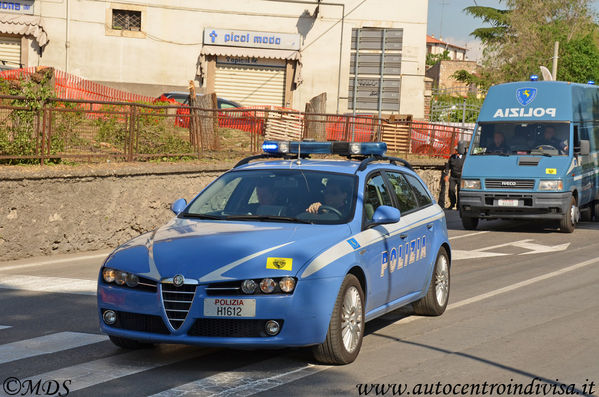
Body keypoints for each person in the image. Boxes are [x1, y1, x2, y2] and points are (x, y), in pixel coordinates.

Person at [443, 141, 466, 210]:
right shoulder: (452, 157)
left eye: (456, 150)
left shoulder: (465, 157)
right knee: (451, 190)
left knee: (459, 191)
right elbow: (448, 166)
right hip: (453, 177)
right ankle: (452, 204)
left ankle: (459, 206)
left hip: (461, 177)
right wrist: (446, 174)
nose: (455, 151)